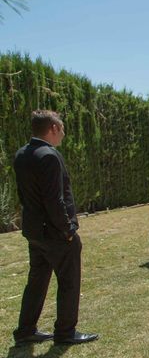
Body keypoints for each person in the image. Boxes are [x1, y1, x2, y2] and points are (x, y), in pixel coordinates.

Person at [12, 110, 98, 345]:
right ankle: (65, 332)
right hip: (56, 232)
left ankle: (26, 329)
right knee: (69, 281)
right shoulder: (49, 156)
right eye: (61, 128)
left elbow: (24, 196)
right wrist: (68, 230)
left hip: (34, 231)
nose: (63, 133)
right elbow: (54, 199)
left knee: (37, 281)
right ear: (52, 128)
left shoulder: (22, 154)